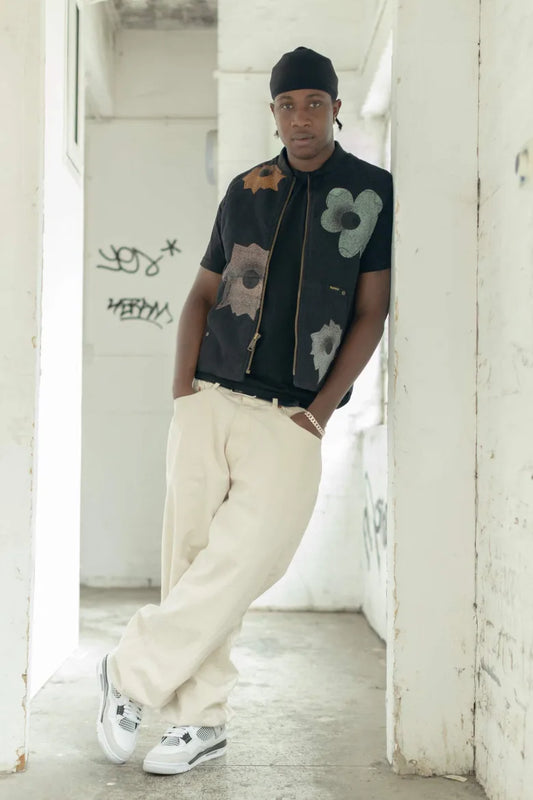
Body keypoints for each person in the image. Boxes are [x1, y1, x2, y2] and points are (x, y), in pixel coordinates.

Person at [96, 45, 393, 776]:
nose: (301, 118)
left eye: (314, 103)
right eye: (288, 105)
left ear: (335, 108)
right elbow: (202, 293)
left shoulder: (372, 192)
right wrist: (183, 394)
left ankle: (128, 671)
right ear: (273, 113)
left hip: (293, 415)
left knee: (247, 558)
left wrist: (320, 412)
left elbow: (371, 312)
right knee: (191, 561)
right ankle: (199, 723)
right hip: (210, 396)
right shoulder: (244, 190)